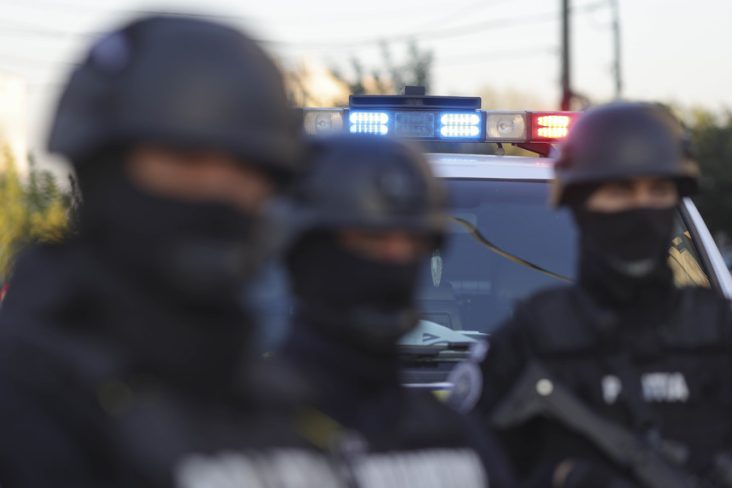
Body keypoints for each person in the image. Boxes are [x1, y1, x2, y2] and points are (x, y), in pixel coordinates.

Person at [0, 15, 343, 487]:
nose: (220, 188)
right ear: (101, 166)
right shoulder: (26, 395)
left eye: (248, 168)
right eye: (187, 159)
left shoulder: (284, 403)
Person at [464, 102, 732, 487]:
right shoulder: (525, 346)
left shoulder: (720, 332)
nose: (641, 209)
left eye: (658, 190)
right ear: (578, 204)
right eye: (620, 190)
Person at [281, 134, 516, 488]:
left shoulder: (452, 435)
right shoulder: (247, 430)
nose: (395, 258)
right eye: (370, 239)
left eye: (413, 242)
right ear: (308, 248)